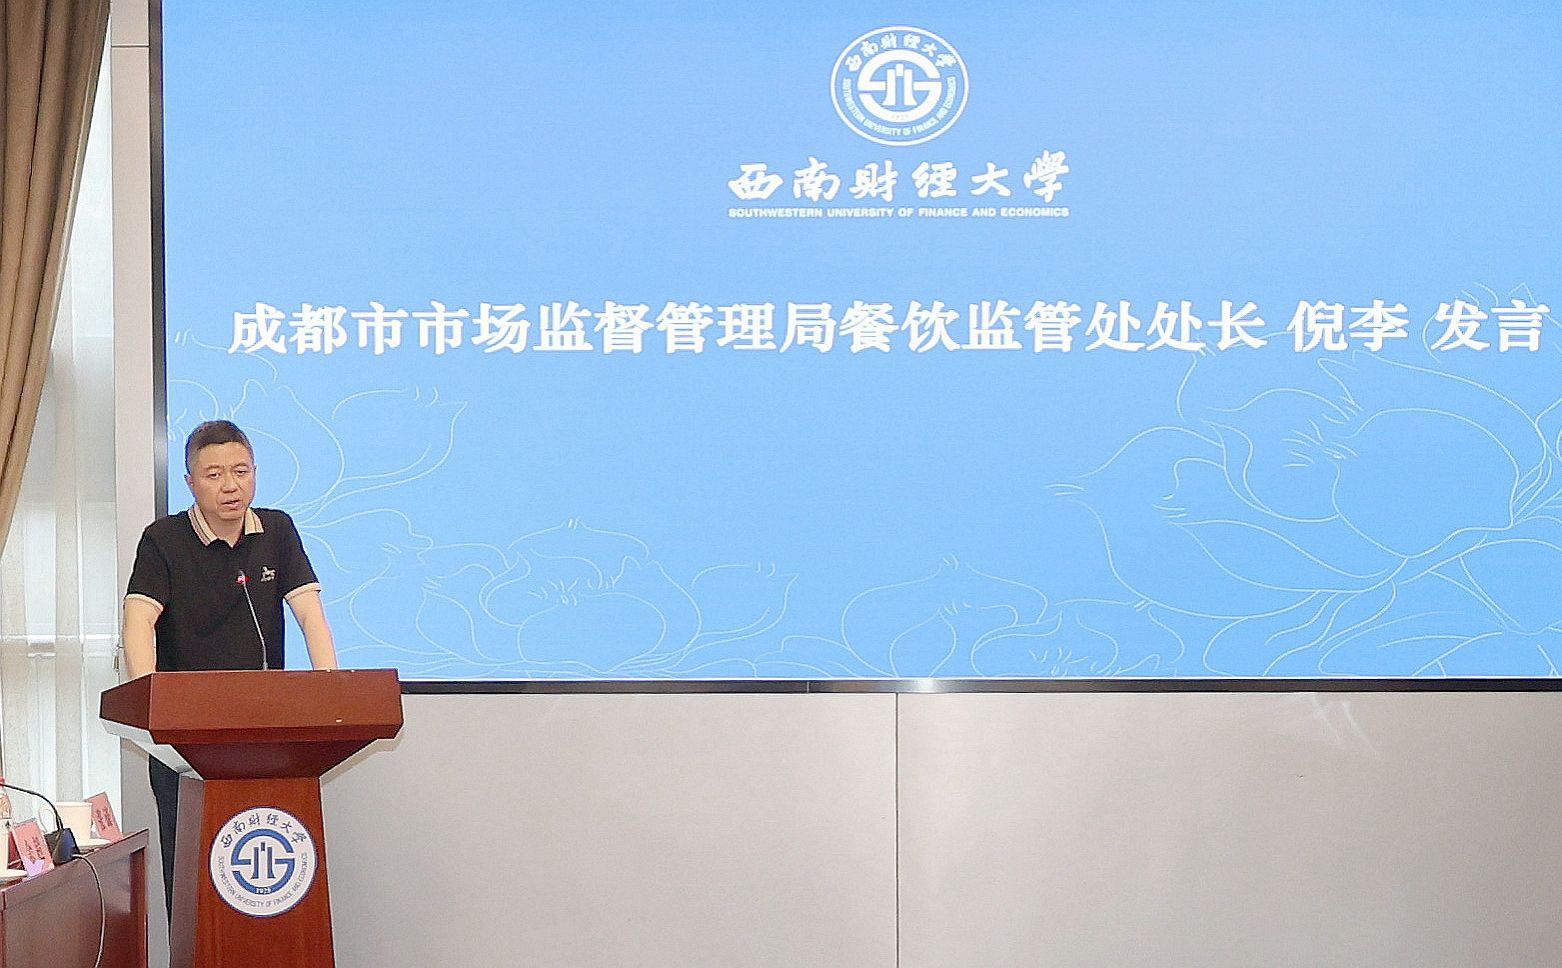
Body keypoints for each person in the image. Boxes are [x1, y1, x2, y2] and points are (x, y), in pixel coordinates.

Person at [120, 419, 337, 923]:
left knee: (270, 863)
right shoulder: (164, 539)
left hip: (265, 733)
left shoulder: (277, 530)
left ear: (255, 473)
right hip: (184, 741)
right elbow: (138, 620)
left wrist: (330, 688)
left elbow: (309, 612)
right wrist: (149, 703)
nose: (230, 485)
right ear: (191, 482)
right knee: (190, 870)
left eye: (241, 471)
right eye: (214, 474)